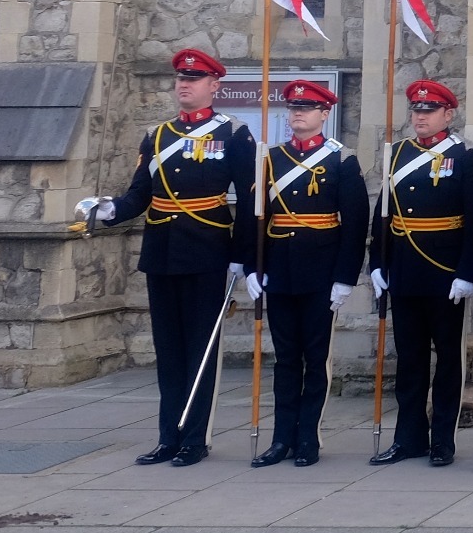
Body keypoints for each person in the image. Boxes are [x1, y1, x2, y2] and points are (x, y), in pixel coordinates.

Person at [75, 49, 257, 467]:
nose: (184, 84)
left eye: (194, 79)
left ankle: (195, 439)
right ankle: (167, 438)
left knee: (200, 350)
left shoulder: (233, 134)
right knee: (169, 351)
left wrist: (241, 257)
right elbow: (141, 194)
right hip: (162, 254)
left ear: (214, 86)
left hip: (208, 253)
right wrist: (111, 210)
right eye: (180, 78)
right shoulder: (158, 136)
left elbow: (249, 201)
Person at [250, 79, 368, 467]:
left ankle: (308, 439)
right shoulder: (271, 158)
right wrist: (255, 266)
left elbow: (355, 224)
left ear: (324, 114)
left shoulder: (340, 160)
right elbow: (257, 218)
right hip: (280, 272)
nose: (298, 113)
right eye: (293, 107)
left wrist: (345, 278)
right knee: (284, 359)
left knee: (315, 359)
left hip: (320, 272)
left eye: (307, 107)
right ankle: (280, 438)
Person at [370, 79, 473, 468]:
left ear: (447, 115)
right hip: (404, 270)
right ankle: (408, 438)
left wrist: (468, 271)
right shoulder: (398, 153)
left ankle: (443, 440)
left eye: (429, 111)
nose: (420, 117)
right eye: (416, 111)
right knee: (410, 361)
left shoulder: (467, 157)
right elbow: (382, 215)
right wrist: (377, 265)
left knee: (448, 361)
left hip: (445, 272)